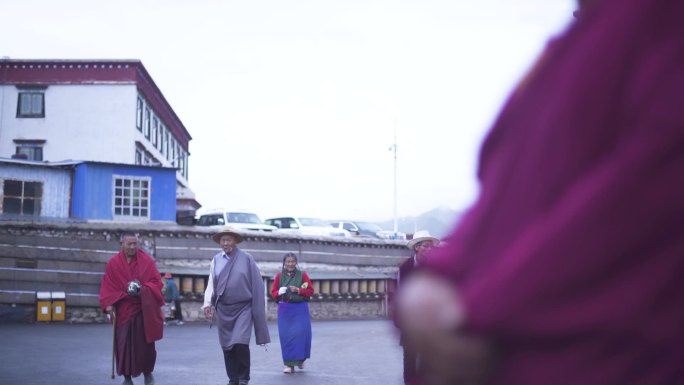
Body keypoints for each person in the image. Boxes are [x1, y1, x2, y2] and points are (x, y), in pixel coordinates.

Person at [395, 0, 684, 384]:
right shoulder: (576, 41)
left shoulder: (658, 21)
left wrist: (470, 303)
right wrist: (440, 280)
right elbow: (504, 192)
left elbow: (634, 198)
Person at [202, 227, 270, 385]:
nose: (226, 243)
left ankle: (243, 377)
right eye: (223, 240)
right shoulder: (216, 260)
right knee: (227, 346)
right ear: (219, 242)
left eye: (229, 240)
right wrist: (207, 303)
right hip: (224, 310)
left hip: (243, 308)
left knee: (240, 342)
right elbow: (211, 284)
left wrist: (259, 308)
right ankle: (232, 378)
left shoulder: (246, 259)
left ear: (235, 241)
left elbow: (257, 285)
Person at [99, 232, 164, 385]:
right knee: (123, 346)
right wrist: (108, 305)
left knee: (146, 348)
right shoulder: (114, 263)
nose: (133, 247)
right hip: (123, 311)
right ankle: (127, 378)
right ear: (122, 243)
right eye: (129, 244)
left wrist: (142, 288)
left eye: (135, 243)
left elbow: (156, 282)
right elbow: (107, 287)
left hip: (142, 310)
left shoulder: (146, 261)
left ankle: (148, 374)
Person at [395, 230, 440, 385]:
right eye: (426, 246)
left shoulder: (435, 266)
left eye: (431, 247)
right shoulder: (405, 267)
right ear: (417, 248)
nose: (429, 250)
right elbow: (400, 292)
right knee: (410, 353)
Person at [270, 252, 314, 374]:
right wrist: (279, 292)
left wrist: (299, 290)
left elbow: (310, 291)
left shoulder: (303, 275)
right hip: (285, 309)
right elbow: (273, 293)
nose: (290, 264)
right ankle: (289, 365)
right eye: (288, 261)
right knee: (286, 336)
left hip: (300, 308)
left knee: (301, 334)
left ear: (296, 263)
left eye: (292, 261)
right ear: (284, 263)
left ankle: (300, 360)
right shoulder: (279, 276)